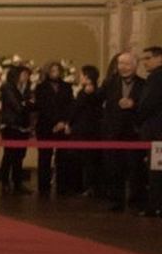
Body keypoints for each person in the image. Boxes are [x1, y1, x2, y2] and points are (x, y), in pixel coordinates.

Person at [100, 51, 145, 211]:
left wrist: (133, 104)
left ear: (135, 66)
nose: (123, 67)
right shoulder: (109, 82)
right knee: (114, 168)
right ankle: (115, 200)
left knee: (135, 169)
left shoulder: (143, 84)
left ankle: (135, 202)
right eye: (120, 64)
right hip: (113, 132)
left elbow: (148, 108)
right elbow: (98, 101)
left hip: (134, 133)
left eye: (127, 64)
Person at [32, 62, 73, 195]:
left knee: (62, 158)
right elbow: (42, 107)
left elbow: (70, 106)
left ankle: (62, 187)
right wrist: (54, 122)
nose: (55, 72)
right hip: (45, 126)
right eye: (52, 70)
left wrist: (63, 122)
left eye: (57, 70)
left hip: (62, 126)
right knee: (44, 157)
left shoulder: (67, 87)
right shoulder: (40, 87)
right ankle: (44, 188)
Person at [67, 64, 103, 196]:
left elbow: (76, 109)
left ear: (87, 77)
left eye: (81, 75)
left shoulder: (86, 92)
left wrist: (69, 123)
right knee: (88, 160)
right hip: (89, 129)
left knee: (86, 160)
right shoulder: (95, 91)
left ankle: (87, 187)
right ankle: (88, 186)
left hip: (84, 130)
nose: (79, 77)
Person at [0, 64, 32, 196]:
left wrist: (26, 104)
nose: (26, 77)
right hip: (11, 125)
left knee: (20, 156)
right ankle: (5, 182)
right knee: (9, 155)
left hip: (23, 126)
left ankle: (18, 183)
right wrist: (26, 103)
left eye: (27, 75)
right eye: (24, 74)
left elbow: (30, 105)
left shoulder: (27, 88)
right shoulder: (8, 87)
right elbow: (17, 106)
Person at [137, 46, 162, 217]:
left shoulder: (156, 78)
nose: (144, 62)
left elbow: (148, 104)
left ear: (159, 58)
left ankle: (155, 205)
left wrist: (137, 119)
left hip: (156, 130)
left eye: (148, 58)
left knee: (156, 170)